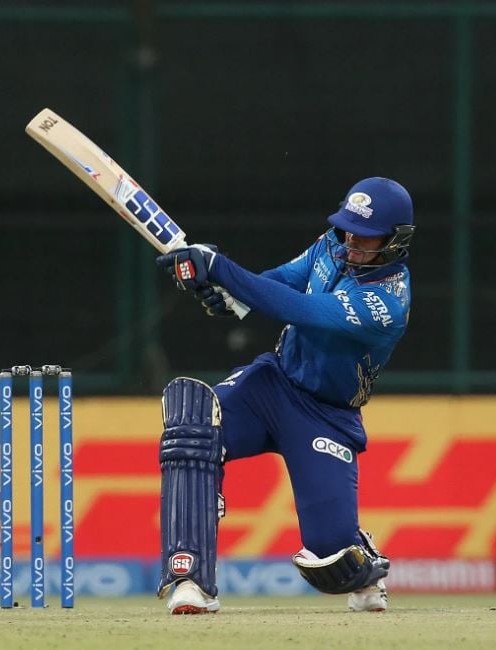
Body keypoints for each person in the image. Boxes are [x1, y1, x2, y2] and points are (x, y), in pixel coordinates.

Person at [153, 177, 414, 615]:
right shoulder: (331, 245)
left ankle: (360, 556)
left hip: (326, 416)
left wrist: (219, 268)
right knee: (194, 424)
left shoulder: (388, 303)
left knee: (332, 560)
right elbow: (280, 282)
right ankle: (190, 578)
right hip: (272, 384)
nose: (350, 240)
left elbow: (302, 310)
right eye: (347, 227)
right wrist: (229, 292)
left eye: (363, 235)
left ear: (396, 240)